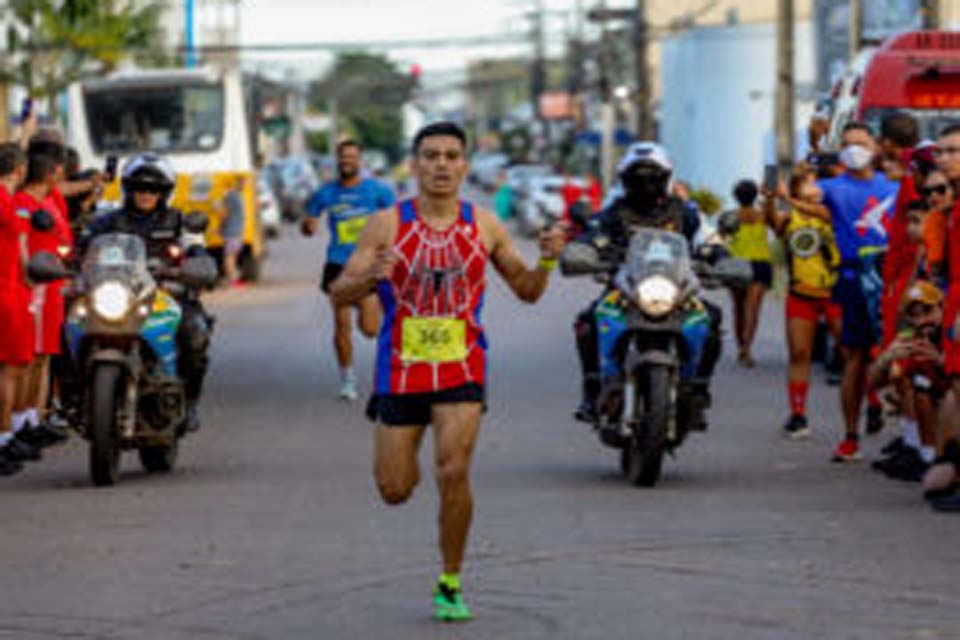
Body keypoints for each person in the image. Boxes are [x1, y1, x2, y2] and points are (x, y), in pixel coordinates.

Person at [330, 122, 566, 622]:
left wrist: (545, 262)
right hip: (401, 370)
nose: (441, 164)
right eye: (431, 155)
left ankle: (451, 581)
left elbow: (525, 290)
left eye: (451, 155)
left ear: (464, 165)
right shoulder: (386, 225)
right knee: (394, 490)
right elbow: (339, 293)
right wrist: (371, 277)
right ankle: (406, 456)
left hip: (462, 366)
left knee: (454, 470)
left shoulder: (484, 225)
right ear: (414, 165)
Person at [566, 142, 720, 423]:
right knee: (587, 322)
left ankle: (697, 389)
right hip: (625, 290)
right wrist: (584, 250)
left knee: (712, 319)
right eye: (638, 179)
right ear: (625, 181)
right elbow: (591, 235)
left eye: (653, 178)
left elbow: (710, 241)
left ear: (667, 179)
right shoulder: (614, 213)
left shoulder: (686, 214)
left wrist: (721, 259)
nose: (645, 184)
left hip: (678, 290)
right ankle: (593, 391)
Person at [85, 153, 212, 433]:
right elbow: (81, 246)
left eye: (153, 189)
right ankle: (65, 399)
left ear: (164, 192)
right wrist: (69, 259)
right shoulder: (107, 223)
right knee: (68, 325)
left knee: (195, 332)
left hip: (165, 298)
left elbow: (198, 252)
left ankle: (189, 402)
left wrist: (198, 265)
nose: (145, 194)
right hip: (115, 297)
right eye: (139, 188)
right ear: (128, 190)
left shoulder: (179, 223)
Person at [820, 122, 899, 462]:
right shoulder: (831, 187)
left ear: (877, 147)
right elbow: (795, 193)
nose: (855, 149)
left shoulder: (894, 184)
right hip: (853, 278)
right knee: (855, 356)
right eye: (848, 144)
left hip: (894, 276)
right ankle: (850, 436)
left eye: (861, 143)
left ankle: (911, 437)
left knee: (900, 355)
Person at [301, 140, 395, 401]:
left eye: (352, 158)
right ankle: (347, 379)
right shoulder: (326, 192)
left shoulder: (378, 191)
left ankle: (387, 367)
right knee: (341, 324)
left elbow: (395, 223)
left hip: (368, 266)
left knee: (370, 329)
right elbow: (309, 220)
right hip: (338, 265)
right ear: (337, 161)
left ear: (360, 161)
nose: (347, 162)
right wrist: (308, 226)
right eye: (343, 158)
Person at [763, 164, 840, 439]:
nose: (815, 187)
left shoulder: (833, 210)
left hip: (835, 293)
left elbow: (824, 214)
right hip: (801, 294)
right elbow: (772, 221)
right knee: (799, 353)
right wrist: (771, 198)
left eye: (817, 181)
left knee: (851, 352)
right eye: (808, 182)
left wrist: (787, 198)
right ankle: (798, 413)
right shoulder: (790, 216)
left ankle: (874, 405)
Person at [868, 280, 947, 481]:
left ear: (941, 307)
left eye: (927, 311)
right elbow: (874, 383)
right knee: (903, 382)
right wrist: (887, 358)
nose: (921, 321)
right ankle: (921, 452)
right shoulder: (911, 337)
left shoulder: (952, 332)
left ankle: (933, 456)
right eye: (914, 315)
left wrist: (940, 361)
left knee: (924, 387)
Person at [0, 143, 32, 475]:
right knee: (10, 368)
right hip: (5, 293)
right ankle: (4, 437)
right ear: (20, 170)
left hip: (11, 290)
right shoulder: (2, 199)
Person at [727, 179, 771, 367]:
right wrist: (768, 198)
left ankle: (740, 347)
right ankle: (746, 347)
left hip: (736, 262)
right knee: (752, 309)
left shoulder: (730, 217)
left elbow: (721, 238)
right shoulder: (762, 215)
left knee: (738, 308)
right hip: (759, 262)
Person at [220, 174, 247, 288]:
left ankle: (233, 279)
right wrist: (221, 226)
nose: (244, 184)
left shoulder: (237, 195)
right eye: (242, 182)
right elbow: (226, 213)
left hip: (236, 231)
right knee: (229, 257)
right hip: (232, 231)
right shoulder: (232, 196)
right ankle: (232, 280)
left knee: (232, 256)